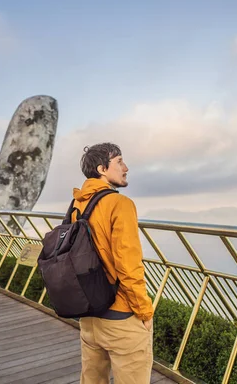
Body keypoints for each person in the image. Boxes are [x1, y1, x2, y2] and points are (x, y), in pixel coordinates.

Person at [73, 142, 154, 384]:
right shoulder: (120, 204)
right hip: (120, 317)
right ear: (102, 169)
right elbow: (128, 266)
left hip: (89, 316)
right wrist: (144, 311)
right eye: (119, 162)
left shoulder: (78, 203)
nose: (126, 167)